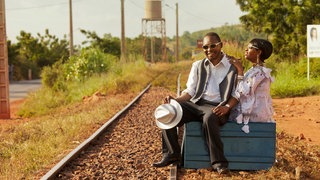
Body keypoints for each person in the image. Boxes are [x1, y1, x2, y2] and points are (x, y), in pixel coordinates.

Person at [152, 32, 239, 174]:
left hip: (217, 107)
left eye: (213, 46)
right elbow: (190, 92)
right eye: (205, 47)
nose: (209, 50)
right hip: (197, 104)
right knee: (169, 110)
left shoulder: (232, 66)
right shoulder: (198, 65)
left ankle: (219, 163)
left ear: (220, 45)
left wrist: (227, 107)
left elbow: (238, 93)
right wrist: (174, 101)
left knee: (209, 117)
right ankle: (172, 155)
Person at [228, 38, 275, 133]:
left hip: (254, 117)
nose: (246, 50)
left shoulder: (260, 72)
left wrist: (240, 70)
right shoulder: (253, 70)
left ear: (258, 52)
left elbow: (243, 92)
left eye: (249, 48)